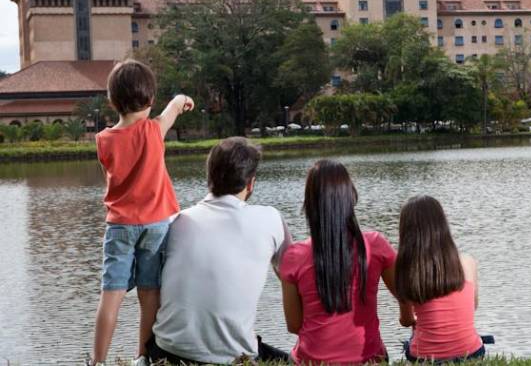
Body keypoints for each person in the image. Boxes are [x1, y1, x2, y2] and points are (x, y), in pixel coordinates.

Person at [147, 137, 292, 364]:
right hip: (234, 356)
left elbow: (151, 292)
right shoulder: (271, 218)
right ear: (250, 183)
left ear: (209, 178)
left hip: (167, 352)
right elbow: (292, 276)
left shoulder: (174, 222)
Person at [89, 60, 194, 366]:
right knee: (150, 294)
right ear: (150, 100)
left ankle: (98, 361)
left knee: (111, 295)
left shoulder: (103, 140)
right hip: (157, 225)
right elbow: (172, 111)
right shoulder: (153, 131)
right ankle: (143, 357)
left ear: (112, 101)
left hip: (120, 227)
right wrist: (180, 100)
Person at [279, 159, 414, 364]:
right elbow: (406, 294)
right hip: (370, 359)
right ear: (351, 196)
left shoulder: (294, 256)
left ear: (310, 203)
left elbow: (294, 325)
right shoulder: (376, 245)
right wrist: (407, 318)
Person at [395, 195, 484, 362]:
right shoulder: (467, 262)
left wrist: (417, 318)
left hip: (425, 358)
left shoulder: (406, 269)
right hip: (472, 352)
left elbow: (406, 320)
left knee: (412, 337)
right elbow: (473, 305)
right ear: (442, 225)